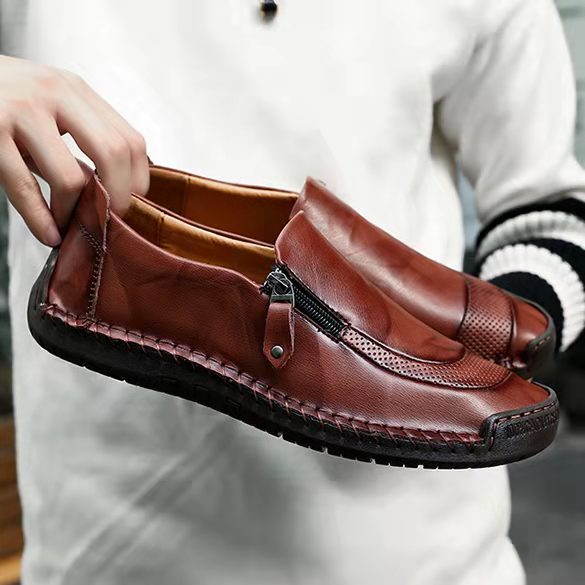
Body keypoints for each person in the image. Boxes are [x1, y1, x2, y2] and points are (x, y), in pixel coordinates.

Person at [1, 1, 584, 583]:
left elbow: (547, 205)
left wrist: (480, 350)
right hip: (111, 550)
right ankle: (108, 276)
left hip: (428, 552)